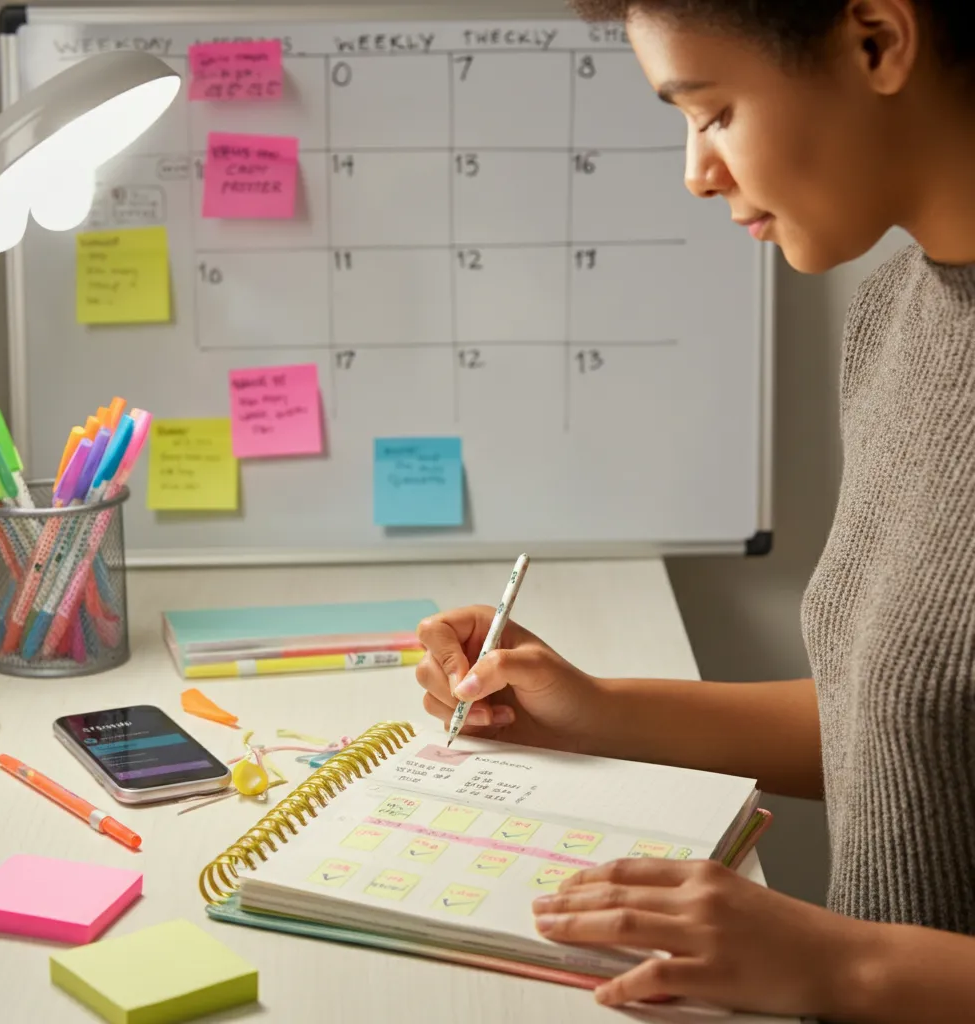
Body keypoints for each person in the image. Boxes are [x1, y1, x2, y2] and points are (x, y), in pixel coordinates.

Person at [415, 1, 975, 1020]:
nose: (696, 170)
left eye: (710, 112)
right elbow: (917, 725)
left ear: (877, 43)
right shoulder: (899, 316)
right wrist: (602, 714)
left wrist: (842, 965)